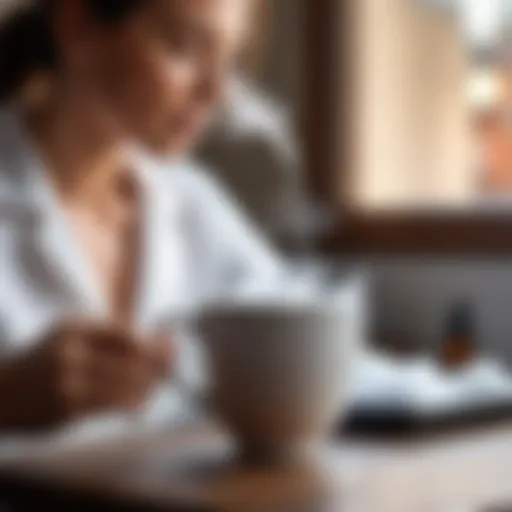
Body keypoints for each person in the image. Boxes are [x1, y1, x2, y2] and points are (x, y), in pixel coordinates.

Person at [0, 0, 283, 432]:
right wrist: (8, 396)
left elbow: (308, 338)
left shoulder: (194, 205)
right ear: (78, 28)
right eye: (186, 48)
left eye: (228, 59)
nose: (216, 92)